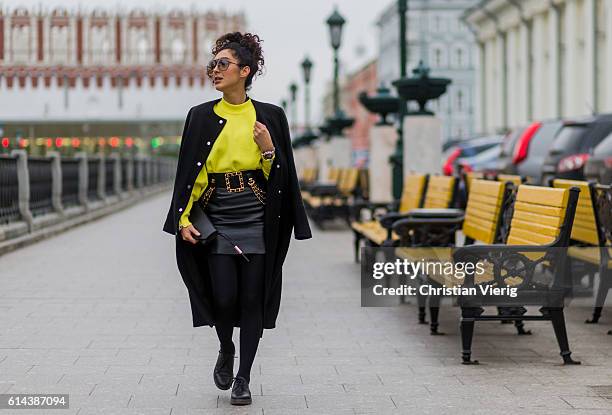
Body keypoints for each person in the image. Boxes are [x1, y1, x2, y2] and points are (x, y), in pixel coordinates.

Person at [162, 32, 312, 406]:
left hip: (258, 215)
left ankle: (243, 378)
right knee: (224, 297)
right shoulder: (199, 117)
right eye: (212, 64)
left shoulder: (271, 117)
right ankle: (226, 347)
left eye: (222, 64)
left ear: (244, 71)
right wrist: (182, 220)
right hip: (217, 215)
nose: (214, 70)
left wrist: (268, 151)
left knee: (251, 300)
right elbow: (188, 176)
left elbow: (281, 175)